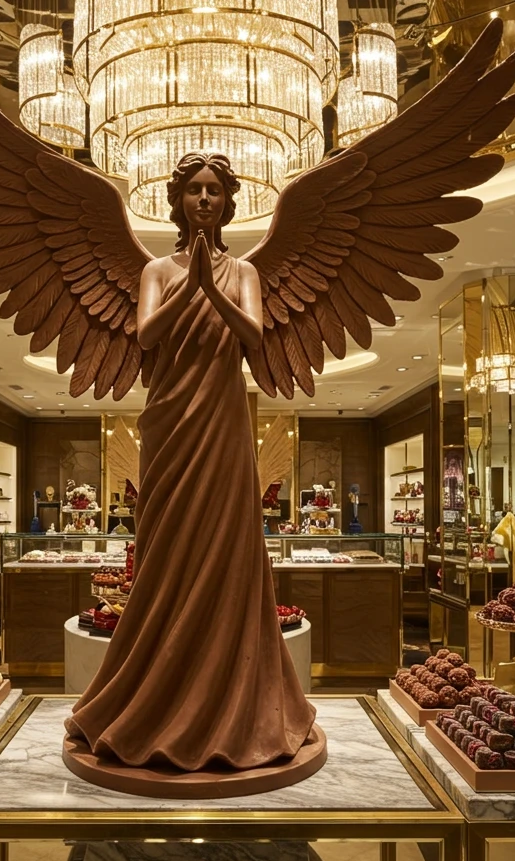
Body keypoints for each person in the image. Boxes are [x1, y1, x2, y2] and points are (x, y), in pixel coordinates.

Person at [64, 153, 316, 771]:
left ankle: (238, 702)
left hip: (227, 420)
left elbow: (253, 339)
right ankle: (153, 694)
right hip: (171, 416)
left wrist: (211, 287)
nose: (204, 200)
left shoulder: (246, 272)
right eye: (194, 191)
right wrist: (190, 286)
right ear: (178, 201)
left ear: (228, 203)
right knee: (167, 543)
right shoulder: (155, 269)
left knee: (229, 545)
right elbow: (147, 336)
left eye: (214, 192)